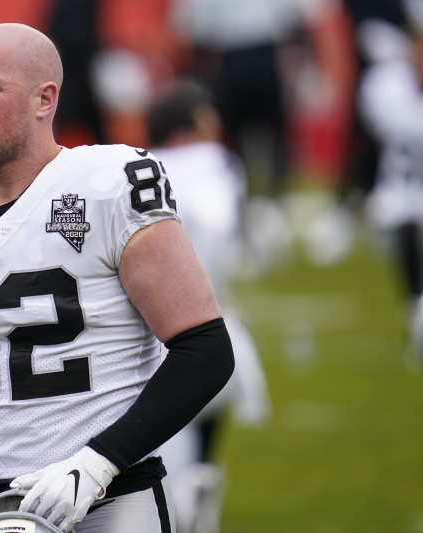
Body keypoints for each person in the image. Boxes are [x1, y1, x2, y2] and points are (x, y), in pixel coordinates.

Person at [0, 22, 235, 533]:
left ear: (43, 100)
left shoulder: (108, 185)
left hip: (113, 497)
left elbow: (204, 348)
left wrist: (97, 462)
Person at [146, 80, 270, 533]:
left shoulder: (127, 167)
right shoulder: (210, 164)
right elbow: (220, 223)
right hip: (208, 323)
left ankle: (191, 496)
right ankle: (198, 491)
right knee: (196, 436)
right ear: (185, 131)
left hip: (145, 336)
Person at [358, 6, 423, 308]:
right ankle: (413, 306)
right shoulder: (387, 86)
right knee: (409, 225)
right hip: (400, 198)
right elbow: (371, 142)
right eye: (418, 51)